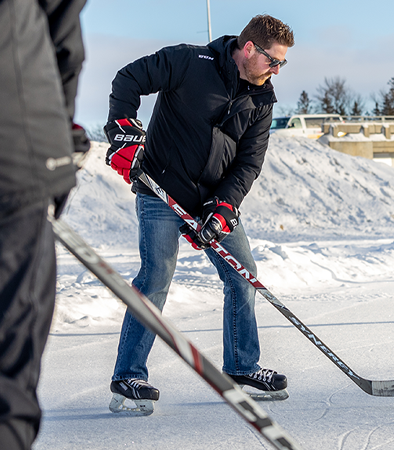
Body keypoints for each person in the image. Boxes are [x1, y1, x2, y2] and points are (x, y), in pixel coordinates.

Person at [104, 15, 294, 415]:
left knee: (243, 276)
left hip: (212, 199)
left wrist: (224, 207)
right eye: (272, 60)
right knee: (156, 276)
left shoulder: (262, 99)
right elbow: (127, 80)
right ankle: (128, 375)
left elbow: (248, 164)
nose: (276, 70)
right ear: (248, 49)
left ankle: (242, 367)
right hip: (160, 188)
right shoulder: (189, 61)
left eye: (282, 64)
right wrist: (123, 130)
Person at [0, 0, 88, 447]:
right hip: (16, 152)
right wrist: (59, 130)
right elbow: (63, 33)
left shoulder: (260, 99)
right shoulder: (189, 62)